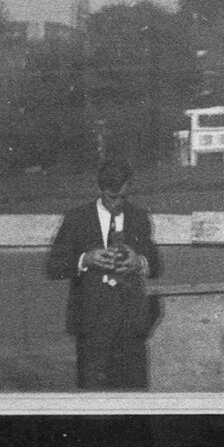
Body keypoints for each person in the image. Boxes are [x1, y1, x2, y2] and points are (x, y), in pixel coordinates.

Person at [44, 158, 164, 388]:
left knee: (132, 398)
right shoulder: (77, 218)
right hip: (92, 326)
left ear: (129, 187)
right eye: (111, 197)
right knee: (94, 400)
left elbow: (156, 265)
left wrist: (138, 262)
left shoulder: (139, 217)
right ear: (99, 190)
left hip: (131, 327)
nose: (117, 204)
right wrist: (86, 259)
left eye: (123, 197)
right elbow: (53, 267)